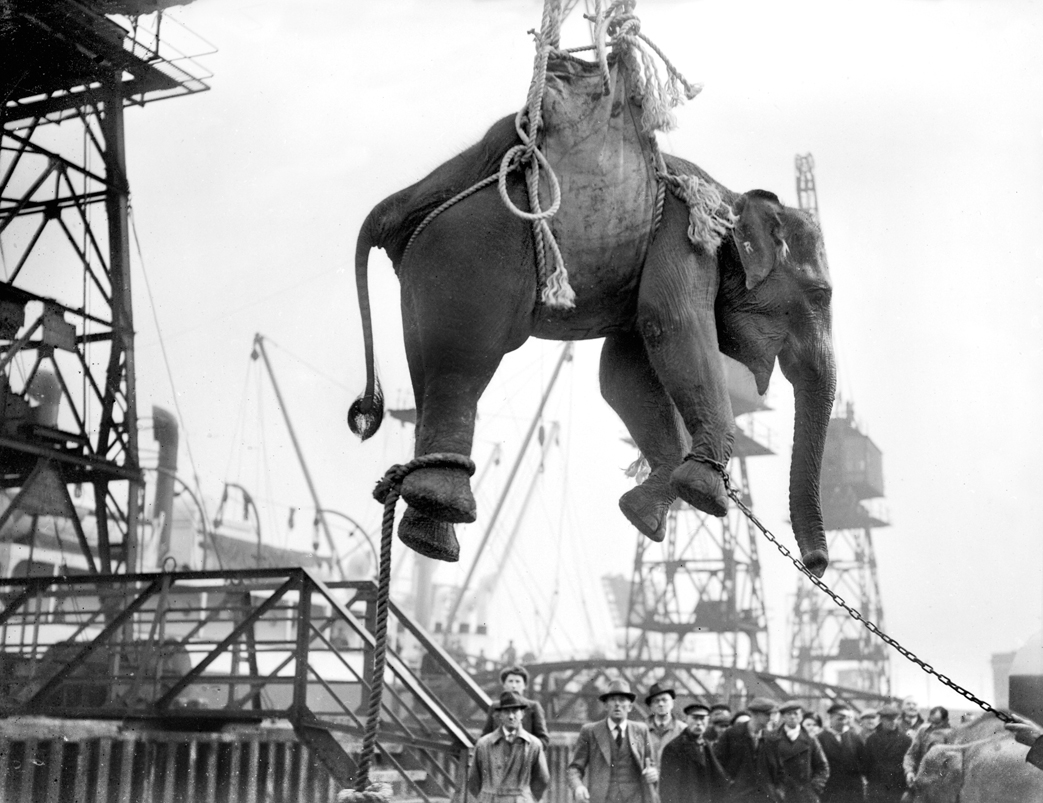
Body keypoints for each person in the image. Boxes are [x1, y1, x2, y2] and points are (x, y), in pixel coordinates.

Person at [567, 679, 659, 803]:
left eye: (622, 700)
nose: (617, 704)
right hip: (602, 799)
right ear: (605, 705)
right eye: (612, 700)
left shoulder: (641, 730)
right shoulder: (590, 731)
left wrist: (653, 772)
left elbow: (651, 764)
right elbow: (574, 768)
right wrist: (578, 786)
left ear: (630, 707)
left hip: (635, 799)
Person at [468, 690, 550, 803]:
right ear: (499, 715)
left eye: (515, 711)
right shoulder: (483, 744)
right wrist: (486, 797)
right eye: (506, 711)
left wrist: (527, 797)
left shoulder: (534, 744)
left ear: (522, 714)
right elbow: (473, 779)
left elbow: (542, 779)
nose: (511, 716)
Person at [659, 701, 730, 803]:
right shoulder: (674, 748)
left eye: (702, 719)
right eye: (695, 718)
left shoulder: (706, 744)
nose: (698, 723)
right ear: (686, 720)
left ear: (708, 721)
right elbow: (668, 790)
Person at [713, 697, 779, 802]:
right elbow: (717, 765)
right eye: (767, 714)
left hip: (765, 797)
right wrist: (729, 785)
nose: (771, 718)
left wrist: (777, 791)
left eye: (773, 714)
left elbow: (778, 770)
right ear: (754, 714)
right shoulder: (731, 735)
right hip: (736, 797)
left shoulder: (772, 739)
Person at [763, 701, 829, 803]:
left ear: (801, 716)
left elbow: (823, 767)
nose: (793, 717)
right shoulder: (772, 739)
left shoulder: (811, 739)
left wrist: (814, 788)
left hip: (805, 795)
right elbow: (765, 768)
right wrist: (774, 791)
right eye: (789, 714)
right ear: (783, 717)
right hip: (780, 795)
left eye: (796, 713)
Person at [482, 664, 550, 748]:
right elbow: (486, 735)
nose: (514, 686)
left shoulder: (533, 706)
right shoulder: (495, 706)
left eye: (518, 681)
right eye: (510, 681)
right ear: (504, 685)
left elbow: (543, 739)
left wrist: (528, 751)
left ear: (524, 685)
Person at [818, 702, 866, 803]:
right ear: (831, 718)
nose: (844, 722)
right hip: (830, 792)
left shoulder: (854, 737)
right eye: (840, 718)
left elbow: (864, 762)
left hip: (853, 792)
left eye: (847, 718)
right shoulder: (820, 738)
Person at [863, 706, 912, 803]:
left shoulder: (905, 740)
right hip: (876, 789)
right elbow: (866, 765)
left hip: (897, 789)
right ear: (881, 720)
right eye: (889, 720)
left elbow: (908, 763)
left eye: (895, 719)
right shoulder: (871, 739)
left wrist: (907, 791)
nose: (893, 722)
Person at [902, 706, 953, 787]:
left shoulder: (952, 735)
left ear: (945, 721)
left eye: (937, 723)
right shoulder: (923, 730)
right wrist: (909, 771)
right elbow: (911, 754)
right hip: (920, 779)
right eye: (931, 721)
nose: (933, 726)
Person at [644, 682, 686, 764]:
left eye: (664, 700)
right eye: (656, 701)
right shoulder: (642, 729)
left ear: (672, 703)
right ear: (651, 706)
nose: (661, 704)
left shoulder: (683, 729)